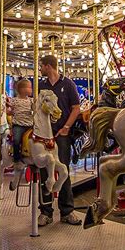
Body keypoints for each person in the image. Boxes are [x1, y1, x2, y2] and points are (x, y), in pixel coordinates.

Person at [37, 55, 82, 226]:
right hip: (44, 135)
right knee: (44, 172)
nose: (40, 69)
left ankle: (67, 210)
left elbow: (76, 108)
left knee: (63, 170)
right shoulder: (41, 86)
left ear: (48, 66)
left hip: (61, 134)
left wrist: (67, 127)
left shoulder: (68, 84)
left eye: (41, 66)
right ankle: (46, 211)